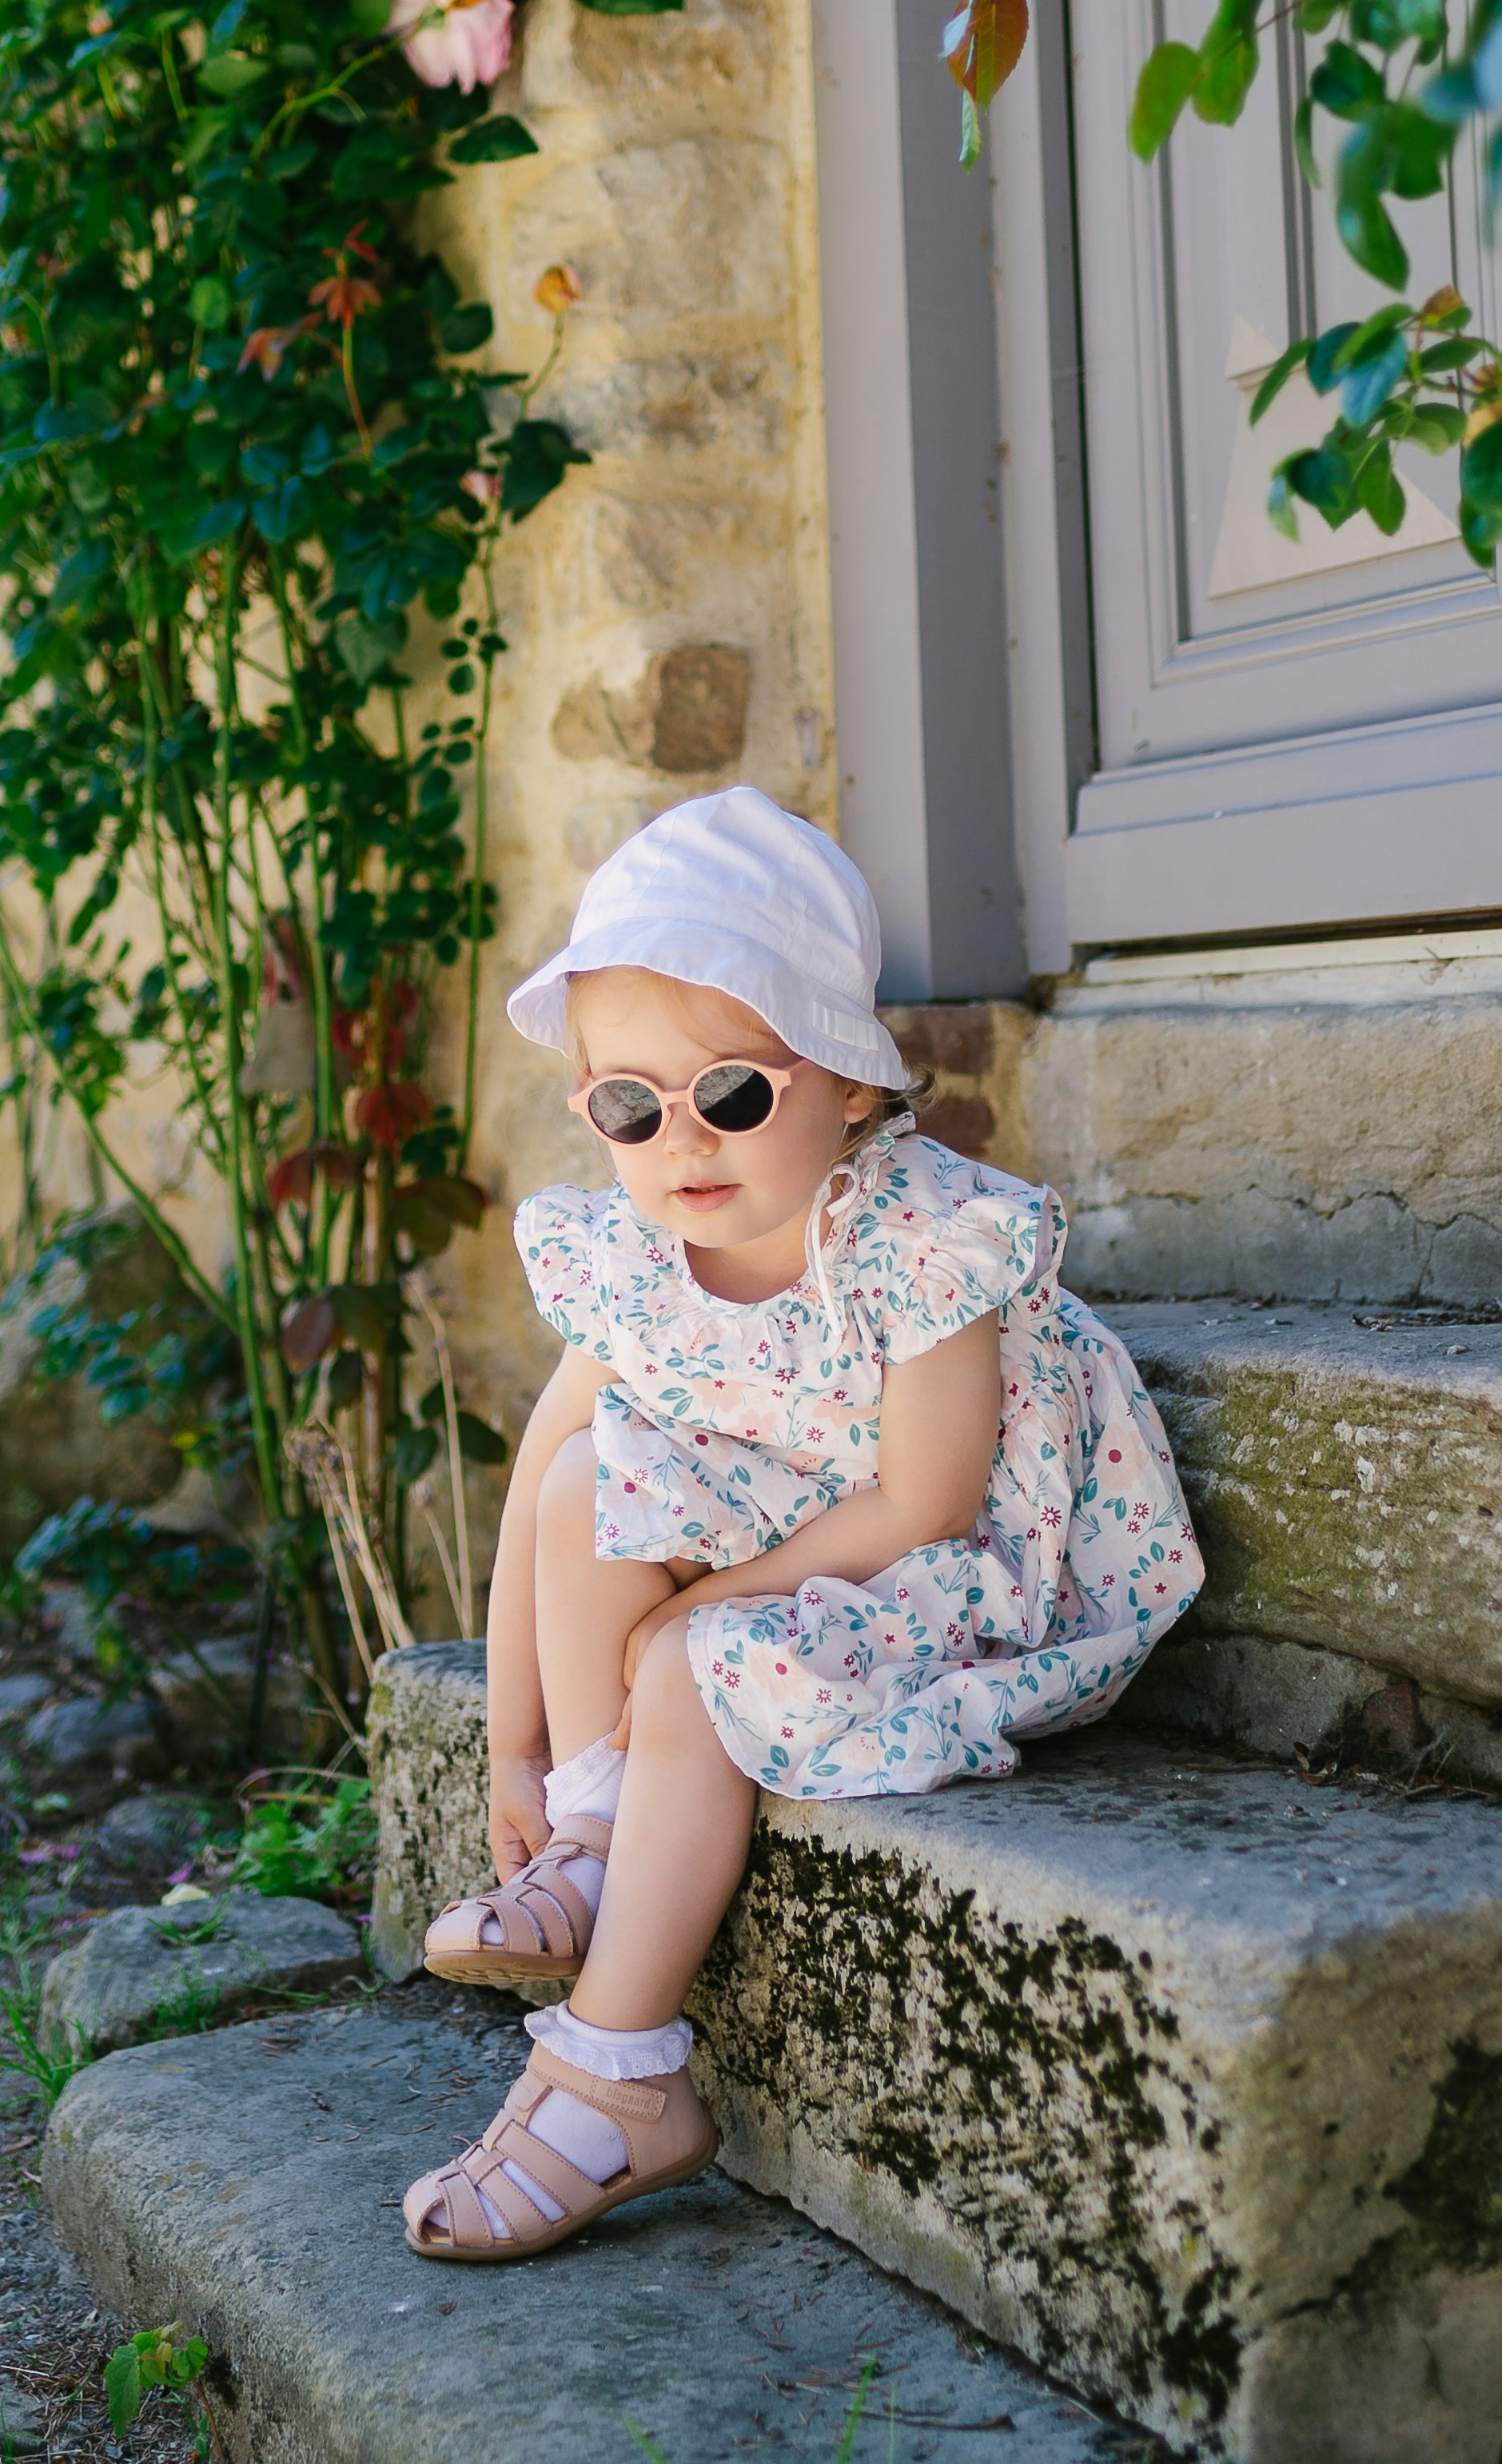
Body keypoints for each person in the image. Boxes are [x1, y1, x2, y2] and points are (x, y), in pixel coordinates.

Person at [401, 787, 1203, 2263]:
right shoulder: (646, 1247)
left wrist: (700, 1613)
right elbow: (541, 1470)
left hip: (960, 1565)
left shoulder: (911, 1233)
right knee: (591, 1480)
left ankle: (616, 2070)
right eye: (629, 1105)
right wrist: (515, 1746)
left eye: (730, 1091)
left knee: (698, 1672)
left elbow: (925, 1498)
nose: (678, 1141)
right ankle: (593, 1830)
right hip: (791, 1519)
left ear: (843, 1081)